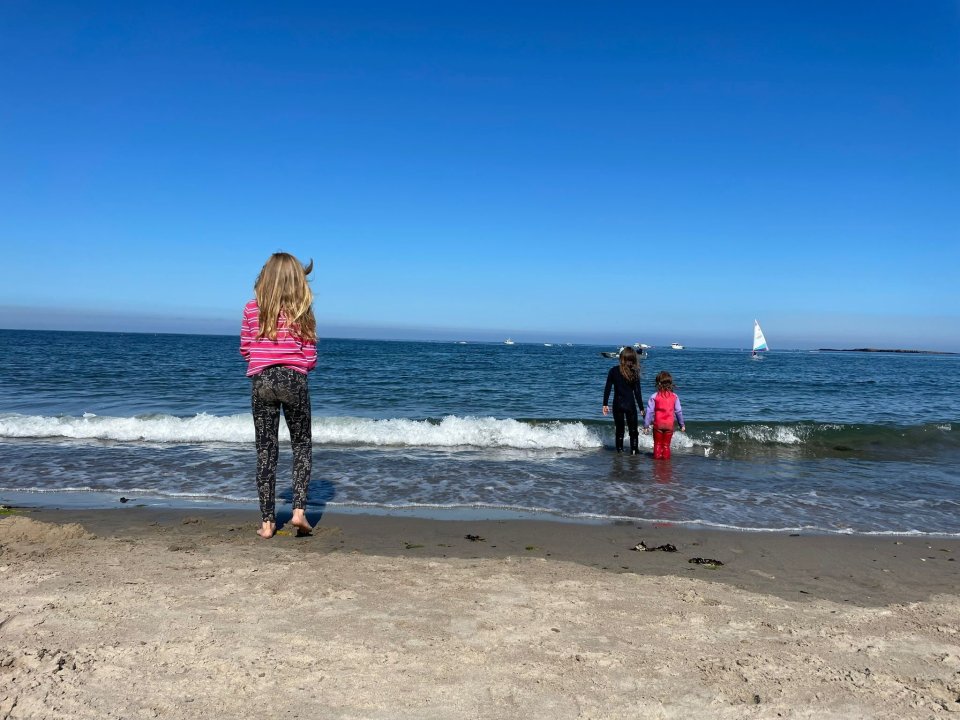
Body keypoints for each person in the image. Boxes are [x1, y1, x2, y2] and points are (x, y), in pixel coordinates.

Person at [240, 252, 318, 539]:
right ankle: (298, 511)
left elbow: (246, 348)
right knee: (301, 445)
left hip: (262, 380)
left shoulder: (251, 308)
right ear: (297, 280)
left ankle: (267, 523)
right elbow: (310, 355)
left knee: (265, 449)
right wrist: (299, 367)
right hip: (293, 379)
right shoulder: (303, 310)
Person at [602, 347, 645, 454]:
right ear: (634, 359)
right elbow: (637, 392)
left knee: (619, 431)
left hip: (617, 404)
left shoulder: (613, 370)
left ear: (621, 358)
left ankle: (619, 451)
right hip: (630, 405)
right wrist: (642, 408)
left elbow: (607, 388)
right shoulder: (635, 372)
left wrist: (605, 404)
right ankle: (634, 450)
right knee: (633, 431)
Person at [643, 370, 685, 459]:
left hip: (658, 424)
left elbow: (649, 412)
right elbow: (678, 411)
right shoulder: (675, 396)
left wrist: (646, 425)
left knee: (657, 444)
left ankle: (656, 462)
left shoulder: (654, 396)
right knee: (666, 445)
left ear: (658, 383)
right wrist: (682, 425)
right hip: (669, 425)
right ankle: (666, 463)